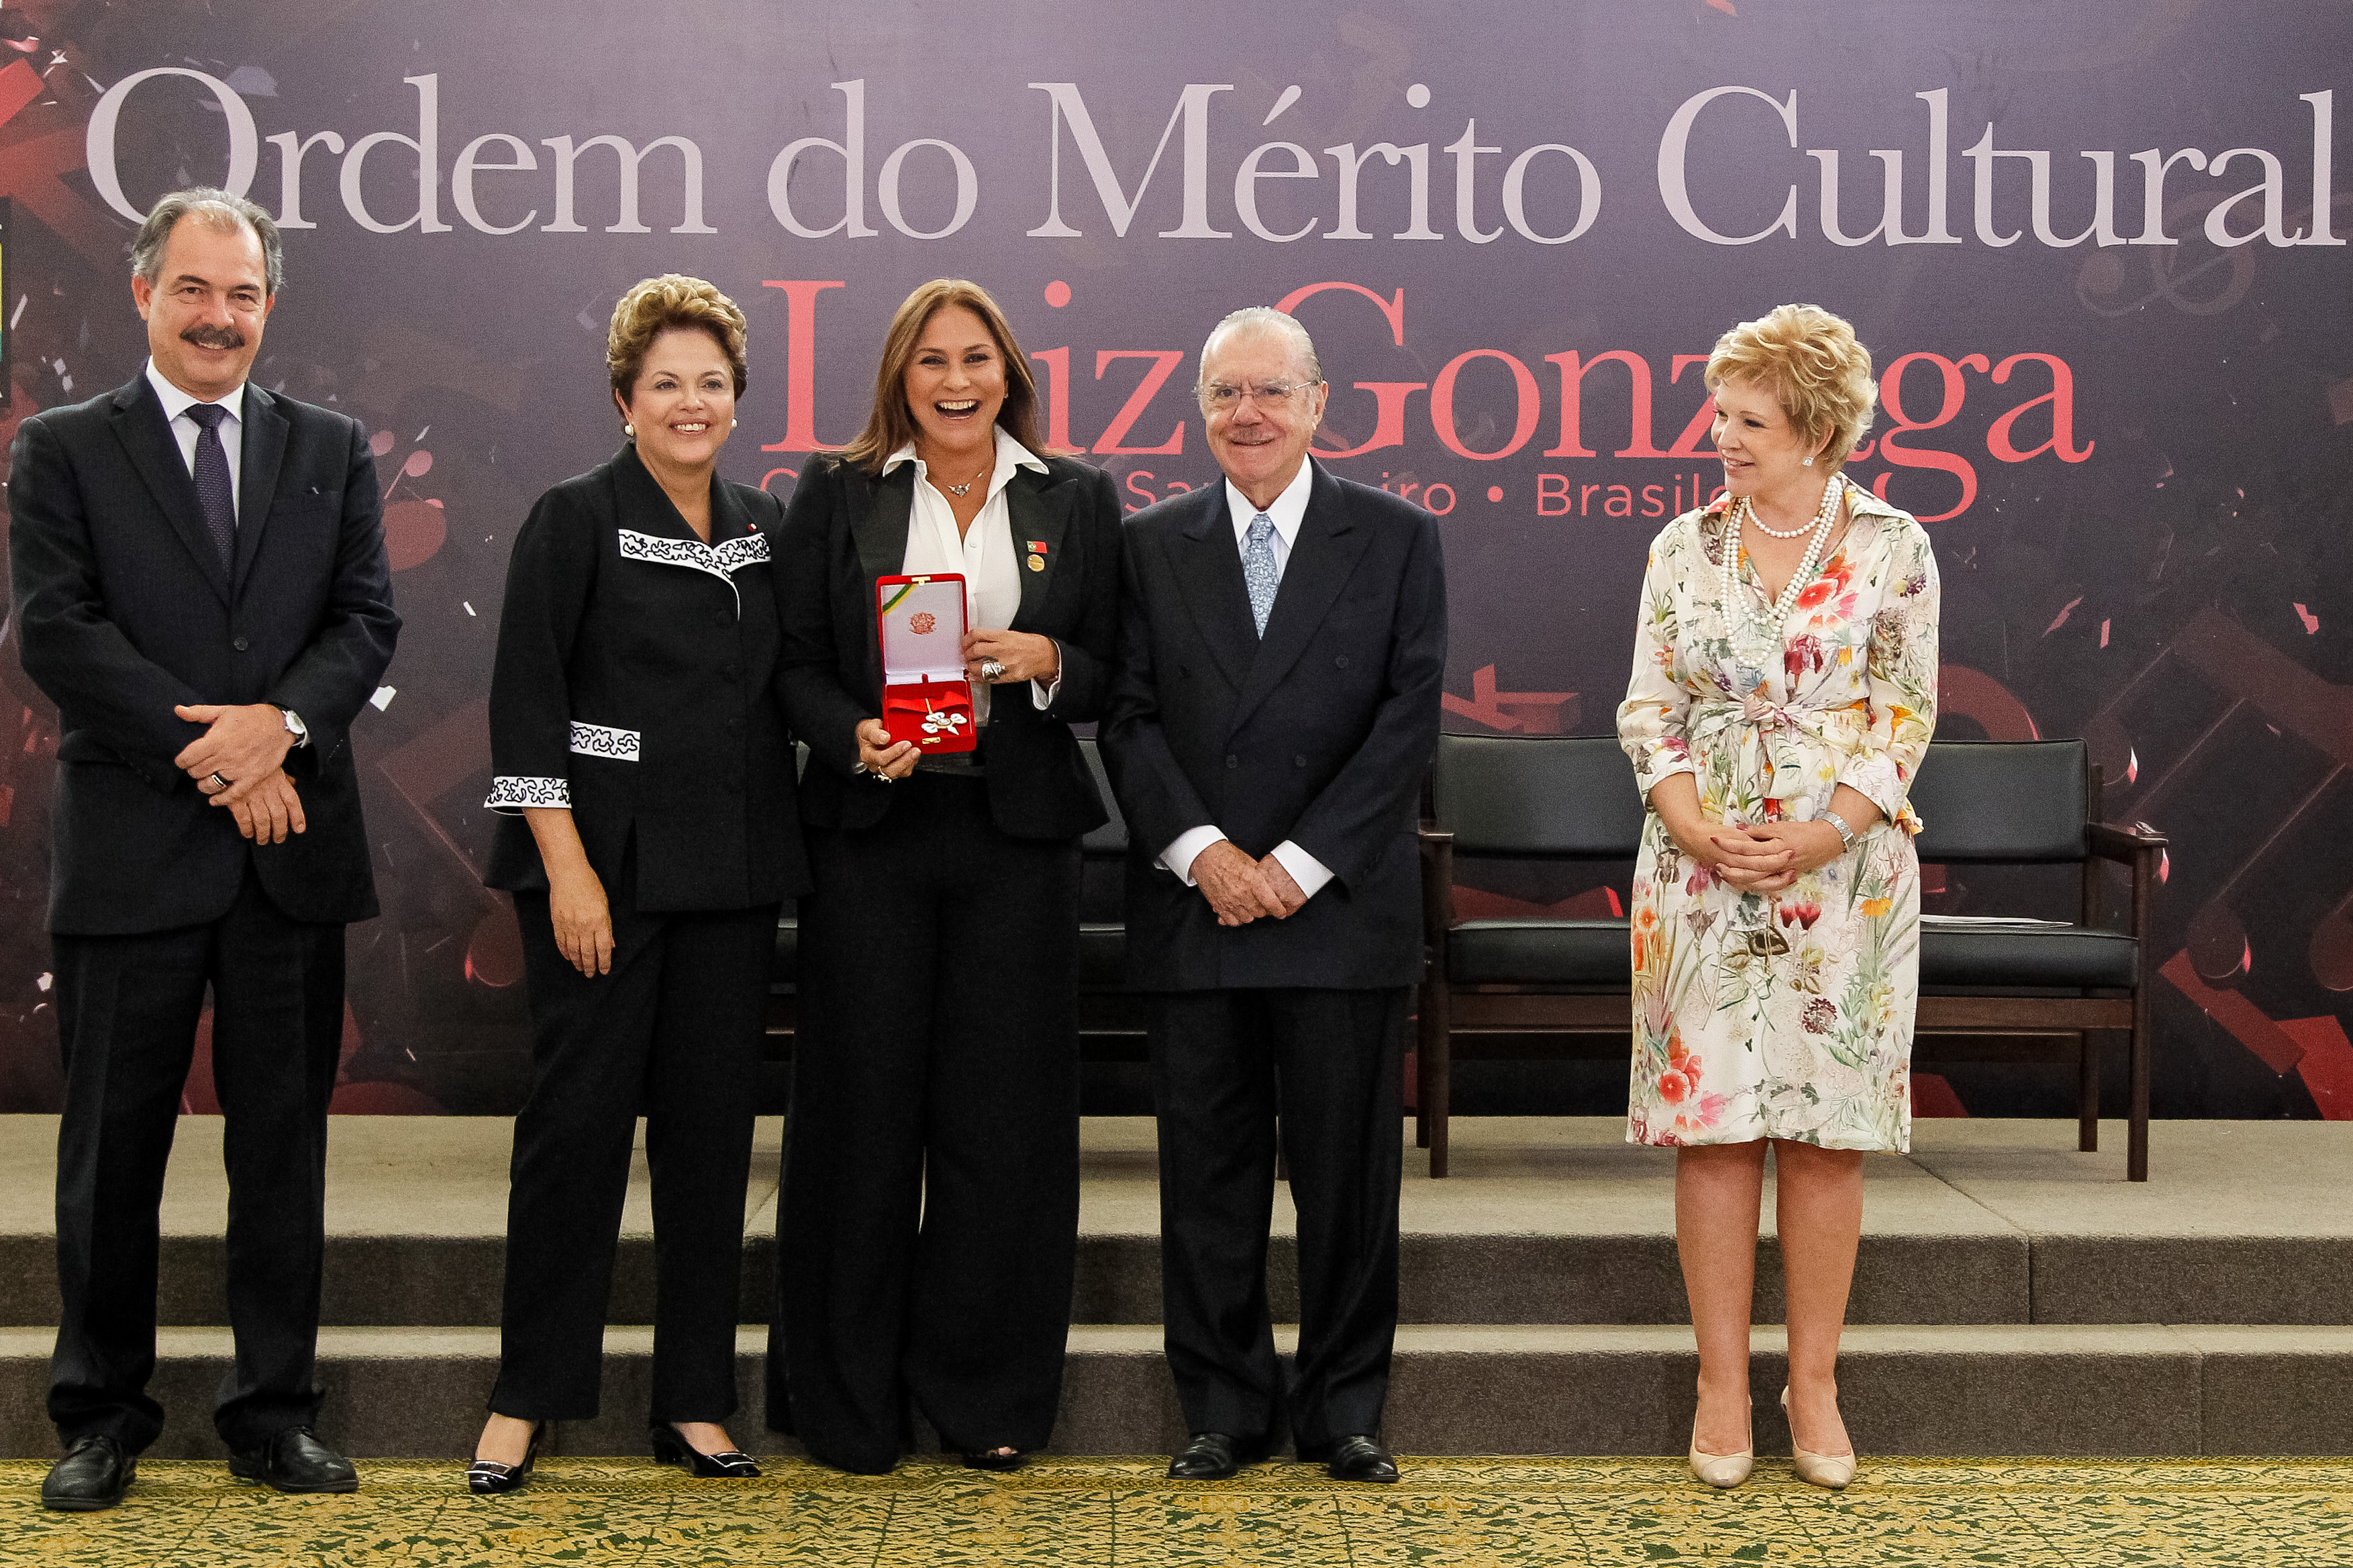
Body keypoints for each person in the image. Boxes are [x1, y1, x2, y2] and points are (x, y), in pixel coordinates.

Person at [8, 188, 399, 1510]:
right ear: (144, 293)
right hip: (134, 851)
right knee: (111, 1151)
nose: (219, 315)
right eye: (194, 288)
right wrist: (222, 755)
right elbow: (55, 632)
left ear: (268, 305)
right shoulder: (62, 447)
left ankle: (274, 1412)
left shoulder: (332, 447)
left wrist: (278, 726)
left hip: (289, 855)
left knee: (281, 1148)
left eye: (242, 294)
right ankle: (101, 1413)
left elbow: (364, 624)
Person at [766, 278, 1121, 1474]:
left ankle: (986, 1399)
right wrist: (848, 733)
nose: (956, 381)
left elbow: (1116, 666)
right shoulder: (835, 490)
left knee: (1002, 1125)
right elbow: (796, 661)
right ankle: (845, 1404)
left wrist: (1047, 658)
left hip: (1014, 839)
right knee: (858, 1116)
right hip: (872, 831)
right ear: (898, 377)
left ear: (1009, 373)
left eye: (976, 358)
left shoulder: (1074, 497)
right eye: (932, 361)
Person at [467, 275, 807, 1493]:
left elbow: (798, 685)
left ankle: (697, 1401)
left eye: (711, 382)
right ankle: (526, 1395)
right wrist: (567, 871)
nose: (690, 401)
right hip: (596, 873)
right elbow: (526, 712)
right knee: (575, 1137)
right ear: (624, 399)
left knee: (712, 1147)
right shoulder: (571, 518)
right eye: (665, 381)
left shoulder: (768, 527)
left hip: (732, 873)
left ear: (737, 400)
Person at [1101, 307, 1446, 1484]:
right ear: (1198, 411)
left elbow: (1408, 719)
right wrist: (1203, 852)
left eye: (1270, 393)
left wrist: (1296, 865)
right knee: (1208, 1174)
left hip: (1337, 909)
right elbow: (1130, 716)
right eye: (1224, 396)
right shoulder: (1147, 544)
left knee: (1349, 1180)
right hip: (1198, 905)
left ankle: (1344, 1406)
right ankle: (1223, 1406)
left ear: (1317, 403)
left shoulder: (1396, 536)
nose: (1246, 415)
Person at [1615, 303, 1940, 1492]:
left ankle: (1813, 1381)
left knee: (1823, 1134)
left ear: (1817, 430)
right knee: (1712, 1130)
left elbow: (1905, 712)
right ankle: (1717, 1381)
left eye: (1749, 419)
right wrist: (1690, 818)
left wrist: (1822, 830)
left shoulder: (1896, 546)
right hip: (1696, 867)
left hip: (1842, 875)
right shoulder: (1678, 547)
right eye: (1721, 413)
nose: (1723, 437)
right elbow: (1647, 705)